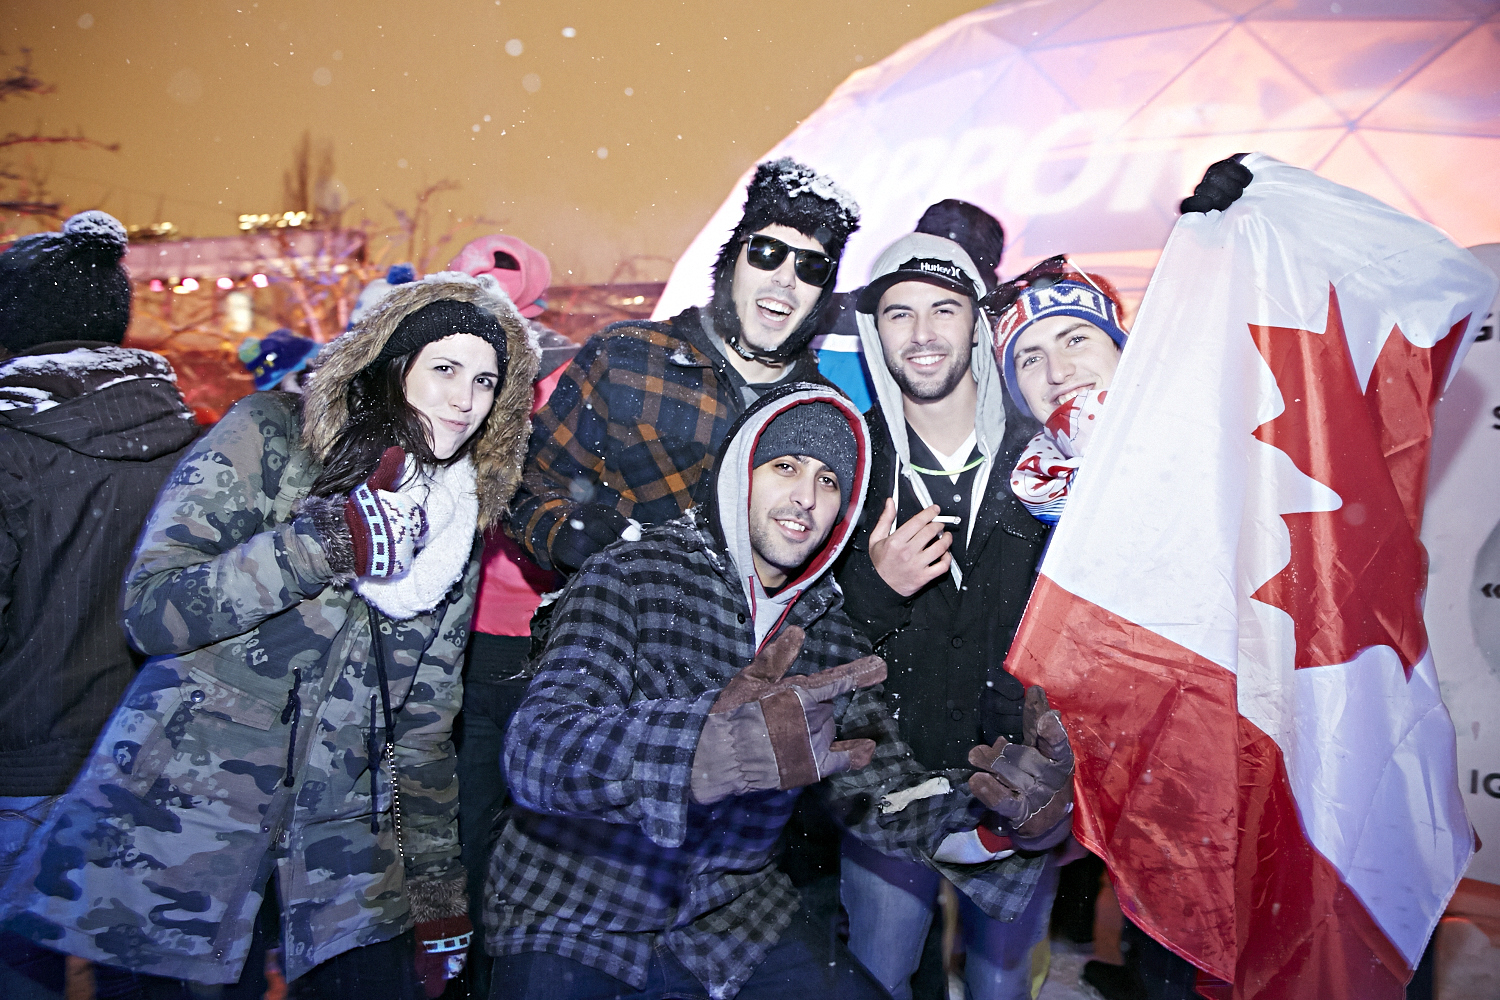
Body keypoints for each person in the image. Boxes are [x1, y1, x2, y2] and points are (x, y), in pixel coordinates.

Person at [0, 271, 539, 999]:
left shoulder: (456, 520)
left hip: (343, 862)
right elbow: (154, 611)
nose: (464, 399)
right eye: (444, 368)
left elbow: (421, 734)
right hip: (179, 836)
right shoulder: (273, 435)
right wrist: (315, 548)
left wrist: (437, 898)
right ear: (391, 363)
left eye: (485, 381)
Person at [484, 383, 1056, 1000]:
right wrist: (705, 750)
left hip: (733, 918)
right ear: (740, 472)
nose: (805, 497)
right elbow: (538, 750)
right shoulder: (632, 573)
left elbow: (886, 795)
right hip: (576, 911)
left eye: (830, 482)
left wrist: (1007, 824)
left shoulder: (824, 628)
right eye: (784, 466)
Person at [833, 233, 1069, 1000]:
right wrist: (875, 584)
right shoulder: (848, 457)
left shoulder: (1049, 459)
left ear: (976, 324)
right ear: (875, 332)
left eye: (945, 309)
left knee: (1004, 980)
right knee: (879, 971)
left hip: (1013, 772)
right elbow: (802, 641)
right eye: (900, 313)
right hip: (888, 775)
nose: (924, 333)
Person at [0, 211, 201, 1000]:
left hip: (22, 762)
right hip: (156, 755)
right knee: (142, 970)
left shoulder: (11, 450)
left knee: (21, 965)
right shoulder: (196, 441)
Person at [507, 157, 858, 576]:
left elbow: (835, 561)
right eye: (767, 253)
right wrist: (562, 530)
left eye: (811, 266)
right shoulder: (628, 357)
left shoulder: (824, 410)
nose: (785, 278)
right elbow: (528, 480)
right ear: (732, 261)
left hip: (752, 640)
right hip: (613, 628)